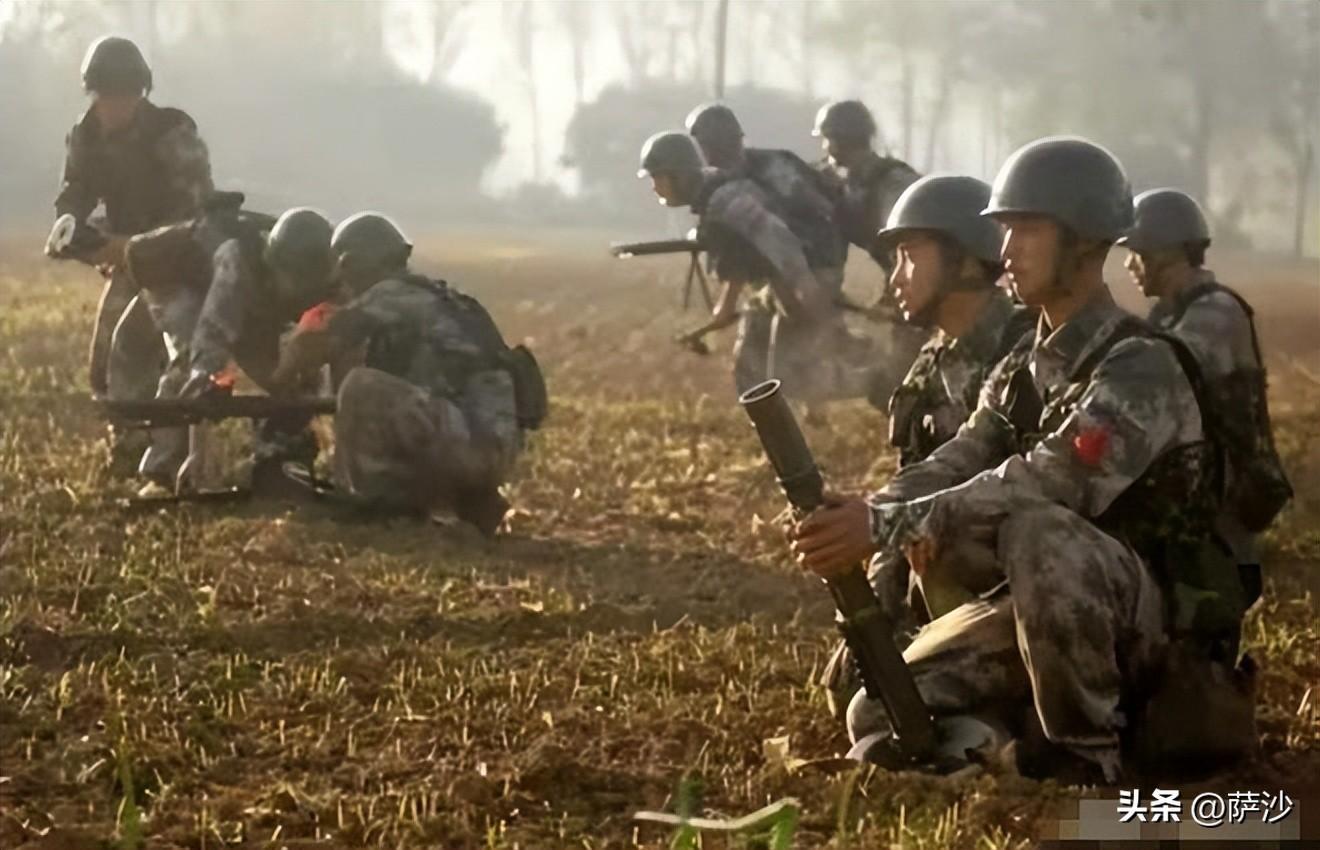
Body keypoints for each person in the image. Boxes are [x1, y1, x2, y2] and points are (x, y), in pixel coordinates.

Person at [789, 137, 1249, 783]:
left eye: (1027, 230)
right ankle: (1006, 737)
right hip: (1046, 608)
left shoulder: (1141, 364)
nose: (1006, 251)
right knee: (879, 707)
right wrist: (870, 512)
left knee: (1038, 528)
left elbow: (1052, 482)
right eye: (1004, 231)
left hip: (1153, 631)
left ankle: (1086, 756)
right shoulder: (1020, 368)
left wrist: (887, 525)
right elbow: (963, 456)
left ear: (1085, 242)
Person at [818, 175, 1036, 716]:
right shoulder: (931, 362)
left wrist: (888, 522)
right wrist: (871, 594)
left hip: (1024, 571)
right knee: (852, 687)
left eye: (910, 255)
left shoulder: (1029, 350)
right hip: (937, 551)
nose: (895, 277)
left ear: (964, 261)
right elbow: (920, 476)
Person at [271, 213, 540, 535]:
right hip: (489, 446)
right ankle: (460, 500)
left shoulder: (390, 294)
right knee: (388, 390)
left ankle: (366, 496)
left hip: (471, 442)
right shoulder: (439, 299)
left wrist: (283, 372)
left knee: (361, 386)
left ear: (351, 264)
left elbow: (321, 345)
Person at [48, 35, 213, 471]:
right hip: (127, 258)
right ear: (95, 94)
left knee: (177, 355)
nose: (117, 106)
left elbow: (197, 212)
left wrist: (131, 247)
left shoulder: (172, 134)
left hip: (179, 262)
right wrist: (69, 225)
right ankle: (127, 443)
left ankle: (175, 447)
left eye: (127, 96)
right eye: (109, 97)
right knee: (107, 357)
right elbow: (76, 190)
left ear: (141, 94)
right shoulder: (86, 136)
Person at [1120, 188, 1292, 578]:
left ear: (1166, 253)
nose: (1129, 264)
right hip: (1195, 501)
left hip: (1226, 508)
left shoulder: (1217, 311)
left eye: (1137, 252)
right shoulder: (1169, 314)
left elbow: (1168, 369)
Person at [124, 203, 334, 495]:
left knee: (297, 377)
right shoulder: (238, 260)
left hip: (251, 305)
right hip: (180, 283)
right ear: (273, 264)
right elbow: (211, 337)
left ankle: (277, 455)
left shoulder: (327, 276)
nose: (297, 289)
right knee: (192, 365)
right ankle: (163, 470)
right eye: (292, 278)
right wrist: (199, 442)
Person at [637, 130, 853, 399]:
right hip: (781, 285)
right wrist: (727, 305)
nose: (654, 187)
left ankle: (877, 378)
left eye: (658, 177)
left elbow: (779, 240)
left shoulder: (728, 201)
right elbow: (740, 255)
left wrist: (807, 290)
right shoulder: (714, 198)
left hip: (803, 278)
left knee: (791, 378)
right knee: (751, 371)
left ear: (679, 176)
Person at [812, 100, 926, 403]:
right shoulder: (852, 182)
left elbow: (911, 243)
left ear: (840, 139)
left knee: (905, 383)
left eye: (827, 139)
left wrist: (894, 292)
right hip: (911, 281)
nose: (824, 148)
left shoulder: (892, 184)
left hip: (929, 283)